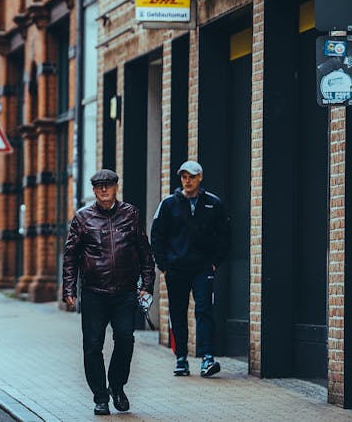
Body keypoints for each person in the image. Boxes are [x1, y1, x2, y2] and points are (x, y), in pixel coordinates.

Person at [62, 169, 155, 416]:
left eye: (109, 185)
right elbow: (71, 256)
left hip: (124, 292)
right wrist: (69, 288)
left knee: (125, 339)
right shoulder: (82, 218)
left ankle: (117, 386)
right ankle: (100, 397)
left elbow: (144, 251)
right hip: (94, 292)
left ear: (116, 188)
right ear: (94, 190)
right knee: (92, 346)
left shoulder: (131, 214)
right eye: (100, 186)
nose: (104, 190)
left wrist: (147, 284)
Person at [150, 160, 231, 378]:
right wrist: (163, 264)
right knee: (178, 312)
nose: (187, 180)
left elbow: (224, 235)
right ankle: (181, 359)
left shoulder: (213, 203)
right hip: (176, 268)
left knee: (204, 309)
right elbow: (156, 235)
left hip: (203, 267)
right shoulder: (169, 204)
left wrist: (215, 261)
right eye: (184, 176)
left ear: (200, 178)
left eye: (192, 176)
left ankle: (207, 358)